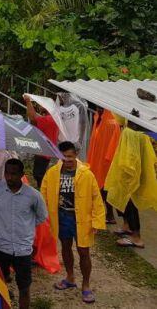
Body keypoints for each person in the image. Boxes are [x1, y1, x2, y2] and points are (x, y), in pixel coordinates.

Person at [0, 159, 48, 309]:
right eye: (7, 173)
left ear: (22, 174)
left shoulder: (33, 196)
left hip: (22, 249)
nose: (9, 177)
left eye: (14, 174)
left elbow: (42, 216)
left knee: (24, 288)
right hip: (0, 246)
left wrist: (26, 227)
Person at [40, 141, 104, 303]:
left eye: (69, 156)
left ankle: (86, 285)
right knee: (66, 247)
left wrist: (97, 221)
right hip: (62, 218)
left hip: (82, 219)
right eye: (63, 157)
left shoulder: (87, 175)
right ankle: (70, 278)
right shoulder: (52, 173)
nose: (67, 160)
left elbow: (97, 198)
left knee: (84, 251)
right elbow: (44, 194)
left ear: (75, 155)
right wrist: (42, 215)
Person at [104, 120, 157, 249]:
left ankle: (136, 237)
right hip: (130, 166)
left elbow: (132, 156)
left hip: (131, 169)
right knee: (123, 197)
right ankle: (127, 226)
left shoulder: (135, 132)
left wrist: (129, 172)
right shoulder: (133, 128)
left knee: (129, 199)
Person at [86, 108, 120, 224]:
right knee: (98, 187)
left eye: (101, 107)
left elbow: (114, 144)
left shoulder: (112, 122)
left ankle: (110, 215)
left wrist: (108, 161)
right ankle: (105, 213)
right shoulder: (97, 116)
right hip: (96, 159)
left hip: (106, 161)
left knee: (105, 188)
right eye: (97, 107)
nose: (98, 109)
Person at [24, 94, 60, 189]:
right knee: (39, 174)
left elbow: (32, 117)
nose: (40, 106)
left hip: (44, 152)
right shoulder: (53, 118)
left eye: (41, 105)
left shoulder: (48, 119)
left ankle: (44, 192)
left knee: (38, 174)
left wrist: (28, 102)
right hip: (47, 150)